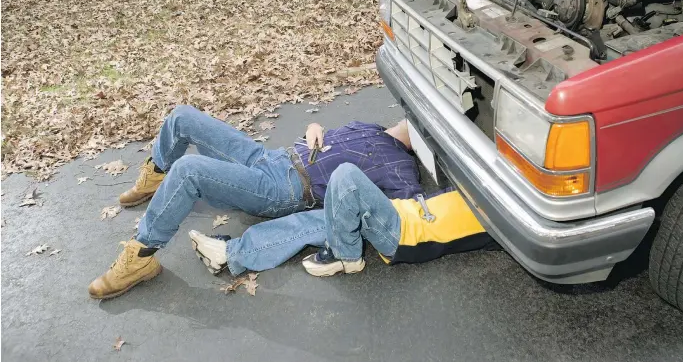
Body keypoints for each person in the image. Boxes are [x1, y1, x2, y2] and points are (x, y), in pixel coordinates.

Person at [88, 105, 422, 299]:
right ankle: (157, 174)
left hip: (282, 189)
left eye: (416, 117)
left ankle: (141, 256)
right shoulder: (370, 127)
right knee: (182, 117)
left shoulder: (402, 169)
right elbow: (324, 135)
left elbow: (399, 218)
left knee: (189, 171)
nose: (407, 115)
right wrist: (314, 126)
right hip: (271, 157)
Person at [188, 163, 495, 277]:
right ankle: (232, 255)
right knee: (311, 222)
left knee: (346, 177)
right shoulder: (485, 182)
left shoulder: (507, 221)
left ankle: (346, 256)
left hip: (404, 235)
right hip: (398, 213)